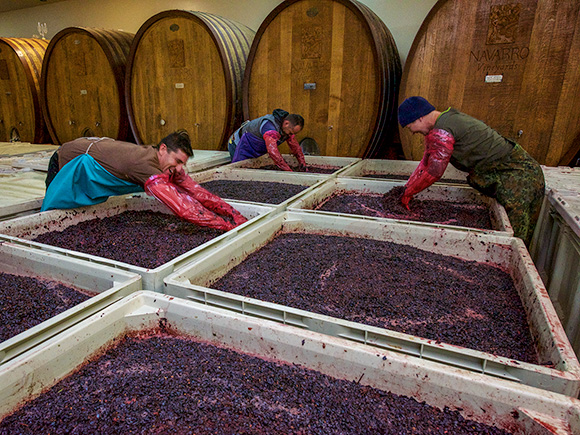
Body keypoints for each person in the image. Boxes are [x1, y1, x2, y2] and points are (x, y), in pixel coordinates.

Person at [398, 96, 545, 246]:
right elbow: (425, 164)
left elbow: (434, 171)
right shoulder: (444, 121)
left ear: (420, 118)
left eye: (410, 127)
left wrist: (409, 193)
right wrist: (406, 189)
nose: (412, 132)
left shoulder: (443, 129)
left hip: (519, 176)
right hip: (507, 173)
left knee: (514, 239)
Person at [42, 130, 247, 231]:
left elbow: (196, 191)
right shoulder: (146, 167)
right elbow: (183, 208)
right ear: (163, 149)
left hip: (96, 155)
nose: (179, 169)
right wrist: (227, 227)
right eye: (177, 161)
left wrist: (233, 214)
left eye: (182, 164)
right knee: (56, 211)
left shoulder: (166, 164)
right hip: (67, 161)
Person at [227, 108, 307, 171]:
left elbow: (295, 146)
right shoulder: (269, 126)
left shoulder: (286, 129)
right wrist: (287, 170)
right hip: (238, 144)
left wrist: (302, 164)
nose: (290, 135)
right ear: (286, 123)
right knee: (239, 171)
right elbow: (272, 152)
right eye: (290, 132)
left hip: (255, 149)